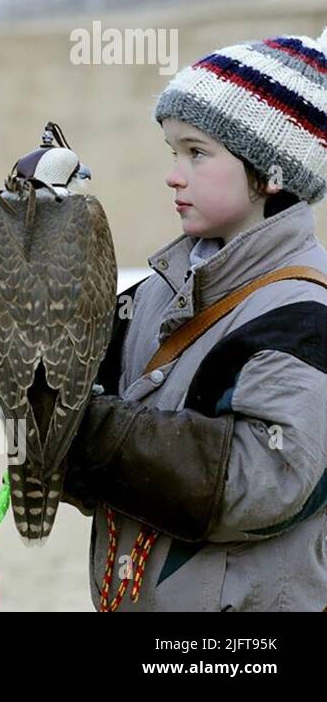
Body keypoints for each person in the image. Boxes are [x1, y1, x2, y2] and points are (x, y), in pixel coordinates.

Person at [64, 31, 327, 611]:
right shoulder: (154, 295)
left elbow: (266, 483)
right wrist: (44, 418)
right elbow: (87, 450)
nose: (173, 174)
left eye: (197, 152)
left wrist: (94, 434)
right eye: (171, 152)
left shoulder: (305, 311)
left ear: (273, 170)